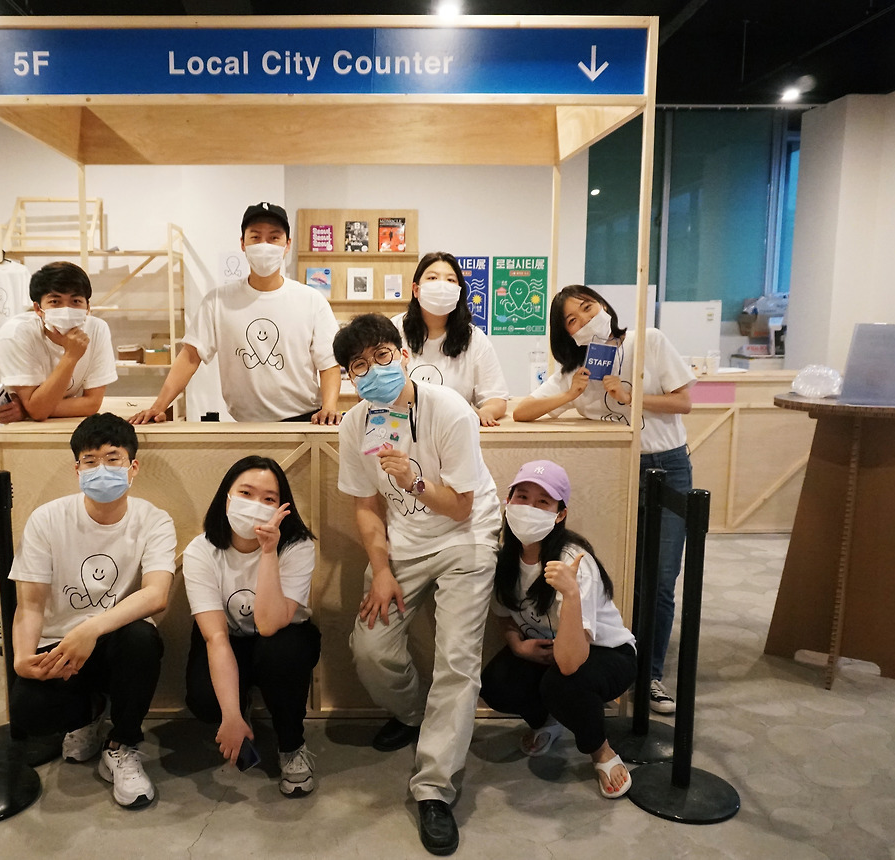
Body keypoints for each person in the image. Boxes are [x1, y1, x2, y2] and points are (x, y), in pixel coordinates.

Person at [334, 313, 501, 856]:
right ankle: (414, 716)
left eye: (381, 356)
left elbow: (461, 507)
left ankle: (434, 787)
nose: (372, 371)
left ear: (403, 356)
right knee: (370, 648)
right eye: (358, 366)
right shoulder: (356, 424)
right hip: (404, 543)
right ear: (349, 377)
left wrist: (413, 479)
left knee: (457, 660)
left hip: (465, 536)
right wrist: (381, 570)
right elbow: (365, 506)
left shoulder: (449, 410)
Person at [513, 285, 694, 715]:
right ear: (567, 334)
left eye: (587, 307)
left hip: (666, 464)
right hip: (617, 473)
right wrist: (570, 395)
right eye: (572, 320)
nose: (585, 320)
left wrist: (633, 398)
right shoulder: (576, 370)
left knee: (661, 578)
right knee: (622, 574)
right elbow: (521, 413)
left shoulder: (647, 341)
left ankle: (650, 675)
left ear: (604, 306)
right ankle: (617, 668)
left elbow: (684, 402)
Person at [7, 413, 175, 810]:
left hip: (116, 643)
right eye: (90, 460)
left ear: (133, 467)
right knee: (30, 714)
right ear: (77, 469)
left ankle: (122, 744)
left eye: (113, 459)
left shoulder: (153, 520)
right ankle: (87, 717)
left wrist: (91, 629)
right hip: (59, 646)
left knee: (143, 639)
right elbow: (29, 603)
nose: (102, 469)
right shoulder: (47, 519)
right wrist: (22, 659)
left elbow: (156, 595)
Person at [0, 261, 118, 653]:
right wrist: (69, 358)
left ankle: (48, 607)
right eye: (55, 300)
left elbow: (92, 402)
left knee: (49, 513)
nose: (67, 308)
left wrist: (39, 406)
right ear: (38, 307)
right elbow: (38, 408)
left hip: (50, 427)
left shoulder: (98, 330)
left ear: (88, 305)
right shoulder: (16, 333)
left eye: (76, 300)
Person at [478, 460, 638, 799]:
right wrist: (518, 646)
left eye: (543, 502)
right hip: (550, 652)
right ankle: (546, 722)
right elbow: (504, 615)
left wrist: (570, 593)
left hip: (605, 654)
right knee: (494, 683)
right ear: (508, 501)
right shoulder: (504, 559)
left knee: (563, 684)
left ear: (560, 514)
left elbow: (570, 662)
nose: (529, 508)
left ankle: (600, 749)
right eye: (522, 497)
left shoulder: (574, 562)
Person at [183, 456, 322, 797]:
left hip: (282, 638)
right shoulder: (201, 550)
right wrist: (230, 715)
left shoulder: (297, 546)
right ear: (227, 497)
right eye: (245, 493)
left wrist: (269, 552)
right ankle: (240, 709)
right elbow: (215, 637)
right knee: (205, 701)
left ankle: (291, 745)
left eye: (269, 499)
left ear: (282, 507)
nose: (256, 505)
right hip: (227, 640)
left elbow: (270, 624)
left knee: (281, 652)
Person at [131, 202, 342, 425]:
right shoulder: (218, 301)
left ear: (287, 244)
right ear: (242, 243)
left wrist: (329, 407)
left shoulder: (311, 300)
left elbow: (328, 363)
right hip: (244, 424)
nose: (264, 245)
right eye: (255, 237)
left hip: (304, 421)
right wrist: (159, 406)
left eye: (273, 238)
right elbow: (190, 356)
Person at [391, 251, 508, 426]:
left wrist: (486, 412)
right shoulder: (393, 330)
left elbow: (496, 397)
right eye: (432, 278)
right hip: (399, 430)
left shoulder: (474, 339)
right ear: (416, 289)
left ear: (458, 292)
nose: (441, 285)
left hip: (452, 431)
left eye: (451, 280)